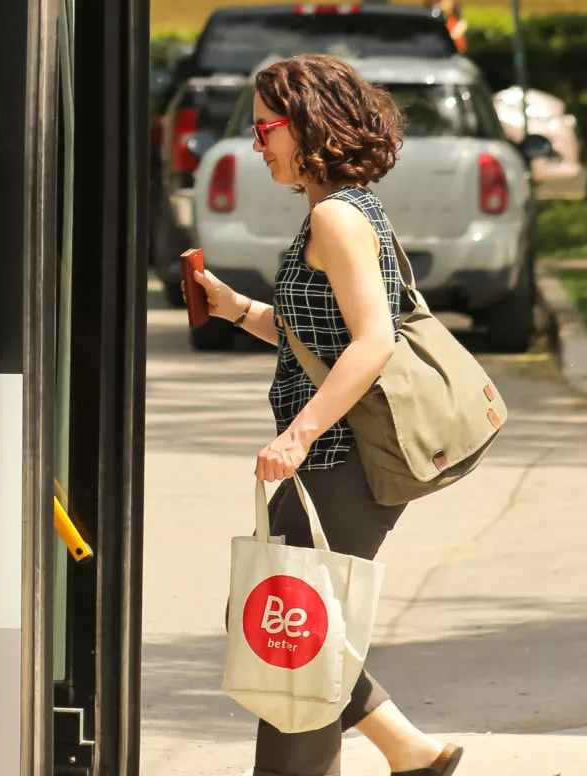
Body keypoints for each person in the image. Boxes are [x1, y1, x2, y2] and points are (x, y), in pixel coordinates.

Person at [192, 54, 464, 776]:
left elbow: (372, 341)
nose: (257, 146)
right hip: (332, 460)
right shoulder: (343, 210)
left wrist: (298, 433)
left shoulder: (337, 220)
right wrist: (237, 309)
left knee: (289, 629)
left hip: (344, 457)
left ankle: (406, 748)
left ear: (309, 125)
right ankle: (408, 750)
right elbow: (319, 335)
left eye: (264, 129)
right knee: (291, 625)